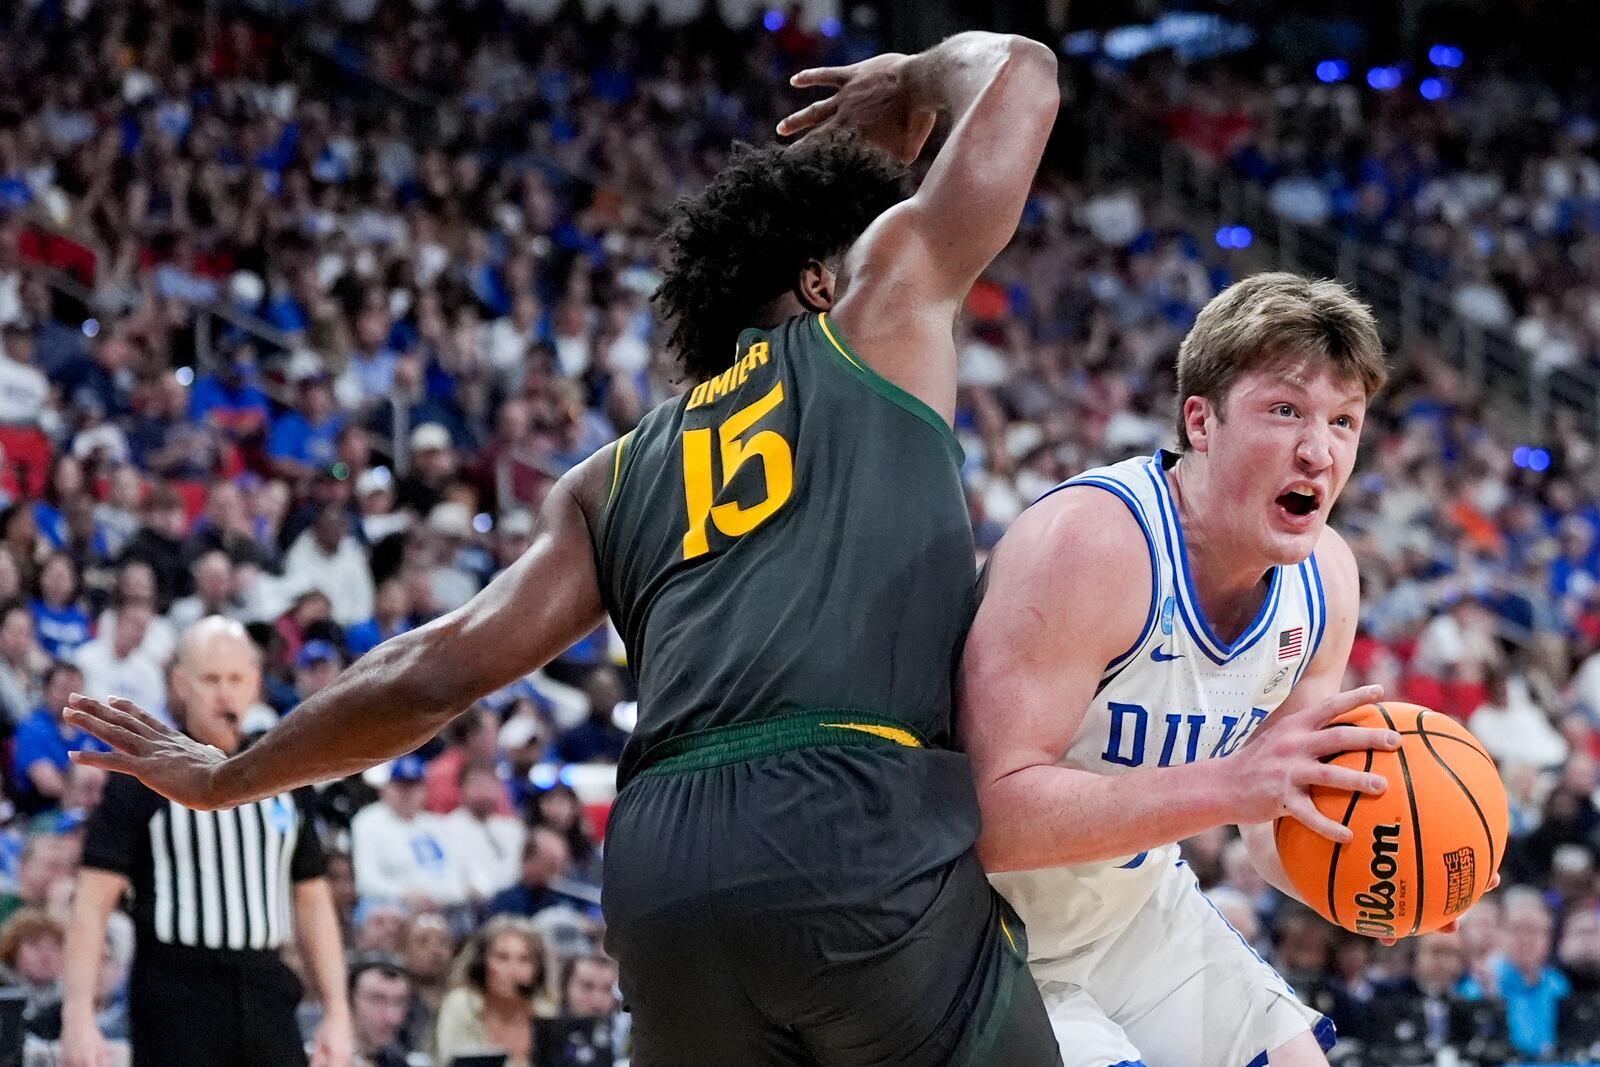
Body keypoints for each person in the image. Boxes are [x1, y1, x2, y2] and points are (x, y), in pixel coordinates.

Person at [66, 32, 1065, 1066]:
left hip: (662, 869)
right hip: (851, 814)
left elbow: (429, 673)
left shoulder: (606, 476)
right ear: (821, 281)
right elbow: (1022, 72)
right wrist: (910, 80)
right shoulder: (878, 310)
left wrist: (232, 774)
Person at [961, 274, 1440, 1066]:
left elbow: (1273, 822)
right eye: (1285, 410)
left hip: (1134, 913)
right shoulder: (1092, 545)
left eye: (1344, 420)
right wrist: (1228, 784)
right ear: (1201, 421)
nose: (1319, 451)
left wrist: (1387, 878)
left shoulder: (1327, 579)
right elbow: (990, 815)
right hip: (979, 931)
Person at [60, 617, 353, 1067]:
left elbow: (312, 897)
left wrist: (337, 1011)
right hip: (175, 989)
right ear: (181, 683)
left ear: (255, 682)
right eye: (210, 679)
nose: (224, 693)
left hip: (266, 983)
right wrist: (78, 1015)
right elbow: (93, 901)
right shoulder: (143, 774)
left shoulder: (285, 772)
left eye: (236, 679)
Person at [432, 916, 545, 1067]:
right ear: (482, 963)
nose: (512, 970)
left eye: (524, 959)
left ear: (538, 969)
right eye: (502, 957)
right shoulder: (461, 1005)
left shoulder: (546, 1012)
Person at [347, 953, 412, 1067]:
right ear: (349, 999)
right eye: (377, 1000)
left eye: (399, 1002)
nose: (392, 1017)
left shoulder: (397, 1062)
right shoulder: (316, 1058)